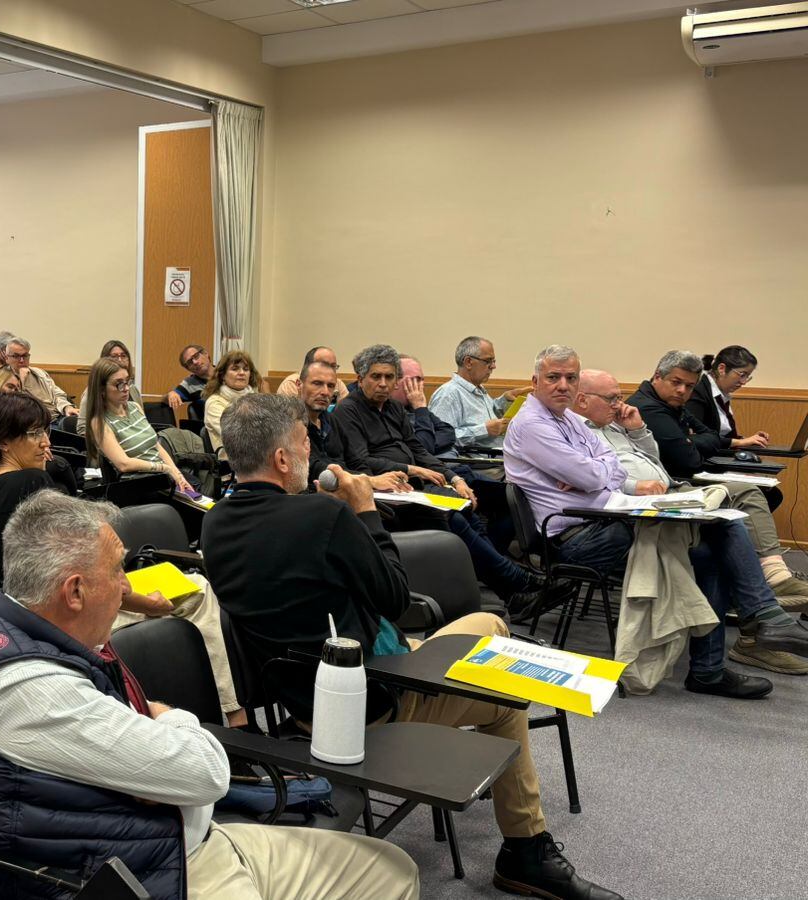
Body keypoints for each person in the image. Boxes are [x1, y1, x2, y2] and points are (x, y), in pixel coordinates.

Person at [201, 393, 615, 900]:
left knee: (484, 632)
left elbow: (310, 585)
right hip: (367, 705)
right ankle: (524, 851)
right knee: (504, 689)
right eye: (306, 443)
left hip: (301, 695)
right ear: (283, 459)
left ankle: (495, 781)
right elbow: (395, 598)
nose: (314, 454)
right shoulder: (321, 520)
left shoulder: (216, 522)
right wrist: (365, 513)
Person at [0, 488, 420, 900]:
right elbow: (204, 773)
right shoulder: (25, 690)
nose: (126, 587)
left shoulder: (13, 625)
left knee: (392, 872)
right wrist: (171, 720)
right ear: (74, 592)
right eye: (117, 570)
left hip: (164, 844)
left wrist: (161, 738)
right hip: (135, 878)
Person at [505, 345, 808, 697]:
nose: (563, 385)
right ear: (535, 381)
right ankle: (761, 621)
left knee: (719, 538)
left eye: (570, 377)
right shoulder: (531, 424)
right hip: (576, 536)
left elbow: (609, 465)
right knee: (720, 531)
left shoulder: (570, 420)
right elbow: (596, 475)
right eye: (553, 377)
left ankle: (728, 653)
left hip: (611, 517)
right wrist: (596, 472)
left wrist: (595, 471)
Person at [571, 368, 808, 672]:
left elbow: (655, 459)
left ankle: (761, 616)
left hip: (668, 490)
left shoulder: (615, 424)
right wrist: (634, 486)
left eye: (619, 396)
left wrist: (638, 430)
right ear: (582, 400)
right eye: (612, 398)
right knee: (724, 535)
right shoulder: (578, 432)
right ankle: (755, 627)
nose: (620, 403)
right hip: (635, 509)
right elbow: (594, 479)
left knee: (743, 502)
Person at [333, 344, 556, 610]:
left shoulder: (392, 408)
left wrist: (453, 477)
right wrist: (411, 469)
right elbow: (360, 461)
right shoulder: (348, 411)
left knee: (466, 509)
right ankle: (515, 584)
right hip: (383, 494)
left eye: (389, 377)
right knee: (449, 517)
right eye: (375, 377)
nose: (383, 384)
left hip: (411, 488)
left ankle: (514, 589)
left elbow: (417, 448)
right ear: (360, 379)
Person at [0, 391, 63, 594]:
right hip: (40, 607)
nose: (46, 442)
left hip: (3, 610)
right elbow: (69, 556)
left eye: (45, 432)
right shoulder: (32, 481)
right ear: (3, 442)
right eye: (35, 434)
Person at [629, 349, 772, 479]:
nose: (682, 390)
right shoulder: (648, 408)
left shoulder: (672, 403)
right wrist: (688, 441)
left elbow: (712, 435)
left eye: (689, 386)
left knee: (763, 490)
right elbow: (691, 461)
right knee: (758, 494)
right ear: (657, 377)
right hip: (672, 482)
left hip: (682, 477)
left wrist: (688, 440)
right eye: (676, 382)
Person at [297, 360, 411, 493]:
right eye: (317, 384)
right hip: (313, 495)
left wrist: (375, 486)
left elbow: (356, 460)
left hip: (347, 490)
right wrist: (370, 481)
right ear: (299, 385)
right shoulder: (291, 422)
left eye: (331, 386)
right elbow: (314, 467)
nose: (325, 392)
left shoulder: (331, 420)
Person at [83, 358, 193, 492]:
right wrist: (164, 468)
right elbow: (123, 464)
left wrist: (178, 474)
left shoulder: (135, 407)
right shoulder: (99, 422)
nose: (126, 388)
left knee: (195, 489)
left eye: (127, 381)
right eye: (119, 384)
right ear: (101, 389)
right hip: (137, 483)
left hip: (160, 475)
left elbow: (155, 445)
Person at [429, 336, 529, 451]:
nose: (493, 366)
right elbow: (440, 438)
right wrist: (484, 430)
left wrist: (504, 400)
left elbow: (488, 416)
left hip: (497, 461)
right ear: (468, 362)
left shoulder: (478, 389)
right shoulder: (448, 394)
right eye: (488, 361)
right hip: (476, 465)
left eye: (494, 361)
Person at [3, 335, 77, 422]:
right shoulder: (4, 377)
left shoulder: (39, 372)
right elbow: (15, 407)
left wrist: (67, 407)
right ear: (7, 358)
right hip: (37, 424)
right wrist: (22, 381)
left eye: (25, 355)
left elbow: (56, 393)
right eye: (16, 356)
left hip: (59, 415)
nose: (22, 360)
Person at [393, 355, 456, 456]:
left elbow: (448, 432)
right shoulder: (389, 410)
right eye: (417, 379)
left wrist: (429, 445)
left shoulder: (412, 406)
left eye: (422, 379)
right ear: (395, 381)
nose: (422, 385)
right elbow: (423, 448)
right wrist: (420, 408)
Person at [202, 350, 264, 452]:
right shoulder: (214, 403)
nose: (241, 373)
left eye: (246, 369)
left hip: (259, 453)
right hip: (231, 460)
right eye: (235, 369)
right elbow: (236, 436)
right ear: (222, 375)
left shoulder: (256, 398)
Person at [690, 345, 757, 439]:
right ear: (722, 369)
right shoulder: (698, 391)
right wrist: (738, 442)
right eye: (742, 375)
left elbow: (725, 434)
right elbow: (698, 438)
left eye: (747, 376)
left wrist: (744, 440)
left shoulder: (722, 393)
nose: (744, 382)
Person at [75, 340, 142, 434]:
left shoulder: (133, 389)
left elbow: (142, 422)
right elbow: (82, 429)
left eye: (123, 356)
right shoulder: (93, 392)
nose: (119, 360)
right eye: (114, 357)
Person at [167, 343, 213, 418]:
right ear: (188, 369)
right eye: (189, 362)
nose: (195, 362)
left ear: (205, 354)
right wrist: (171, 394)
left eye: (196, 356)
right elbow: (165, 400)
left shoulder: (227, 373)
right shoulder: (189, 384)